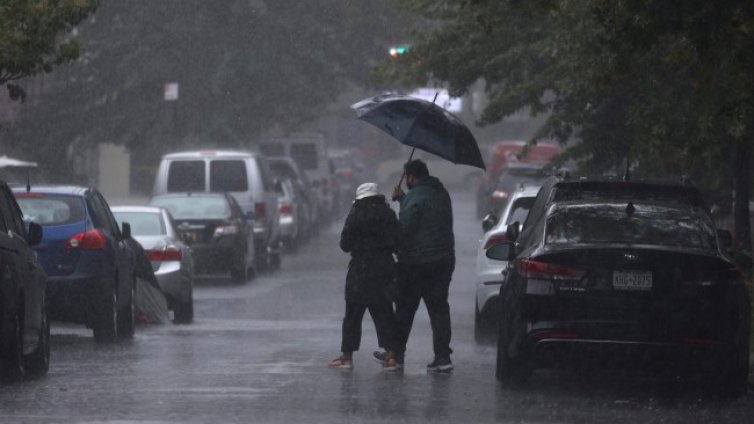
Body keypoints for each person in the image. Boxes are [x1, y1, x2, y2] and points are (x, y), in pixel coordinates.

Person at [374, 159, 456, 372]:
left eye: (406, 176)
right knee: (439, 309)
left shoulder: (415, 197)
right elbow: (426, 216)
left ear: (410, 176)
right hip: (443, 261)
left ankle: (396, 353)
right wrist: (404, 200)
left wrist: (398, 211)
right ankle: (442, 356)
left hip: (415, 265)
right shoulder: (441, 193)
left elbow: (406, 230)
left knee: (404, 310)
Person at [328, 182, 401, 371]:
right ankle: (391, 356)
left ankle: (347, 357)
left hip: (359, 270)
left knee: (353, 315)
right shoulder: (388, 214)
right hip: (384, 269)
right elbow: (397, 242)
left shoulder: (355, 214)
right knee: (384, 313)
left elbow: (345, 244)